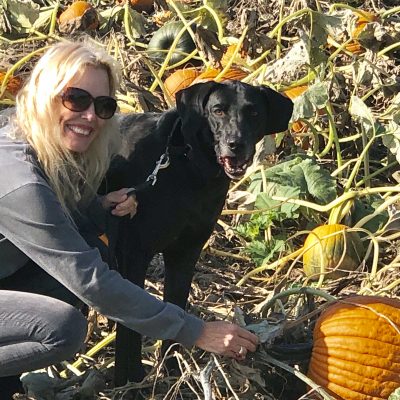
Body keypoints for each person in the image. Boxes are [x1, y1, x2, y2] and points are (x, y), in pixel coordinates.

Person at [0, 39, 258, 395]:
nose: (90, 116)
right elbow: (91, 282)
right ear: (44, 94)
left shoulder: (22, 132)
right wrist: (196, 331)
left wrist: (98, 205)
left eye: (103, 105)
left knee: (89, 243)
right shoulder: (17, 178)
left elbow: (50, 219)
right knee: (60, 327)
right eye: (75, 99)